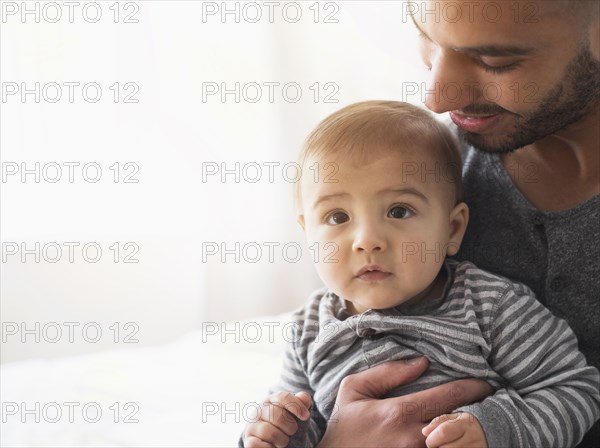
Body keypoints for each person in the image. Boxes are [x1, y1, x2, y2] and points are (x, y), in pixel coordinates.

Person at [316, 1, 600, 446]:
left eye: (495, 62)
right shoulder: (421, 177)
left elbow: (571, 390)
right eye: (427, 38)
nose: (436, 98)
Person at [240, 100, 600, 448]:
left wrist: (495, 428)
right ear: (307, 233)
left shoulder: (490, 307)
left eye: (398, 211)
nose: (367, 240)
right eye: (337, 217)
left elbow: (575, 389)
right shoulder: (310, 327)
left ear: (452, 230)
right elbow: (303, 421)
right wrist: (277, 432)